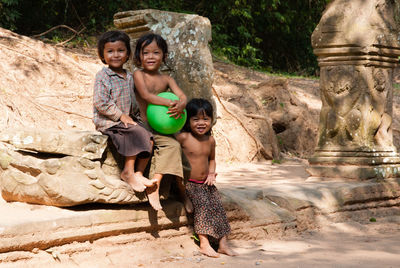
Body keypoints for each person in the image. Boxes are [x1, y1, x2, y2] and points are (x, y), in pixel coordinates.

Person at [133, 33, 192, 212]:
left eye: (156, 53)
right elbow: (146, 96)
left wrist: (182, 103)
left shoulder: (167, 79)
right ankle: (156, 187)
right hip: (143, 125)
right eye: (146, 53)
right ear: (139, 56)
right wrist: (170, 103)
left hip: (163, 128)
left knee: (181, 150)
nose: (151, 57)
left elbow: (182, 95)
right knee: (171, 146)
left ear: (164, 56)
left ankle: (179, 189)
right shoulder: (138, 74)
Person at [93, 30, 156, 193]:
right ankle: (127, 171)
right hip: (110, 121)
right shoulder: (103, 77)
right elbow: (101, 101)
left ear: (127, 54)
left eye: (120, 50)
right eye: (110, 51)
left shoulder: (129, 76)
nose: (116, 55)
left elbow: (134, 101)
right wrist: (121, 115)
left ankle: (139, 172)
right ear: (102, 55)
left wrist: (137, 116)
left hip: (126, 119)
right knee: (134, 132)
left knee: (149, 136)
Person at [176, 98, 238, 258]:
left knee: (218, 206)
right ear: (188, 121)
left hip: (206, 183)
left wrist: (211, 173)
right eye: (195, 119)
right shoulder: (183, 138)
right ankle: (204, 243)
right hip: (189, 184)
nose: (201, 123)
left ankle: (223, 244)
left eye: (206, 119)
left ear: (212, 120)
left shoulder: (210, 140)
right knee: (202, 206)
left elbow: (212, 160)